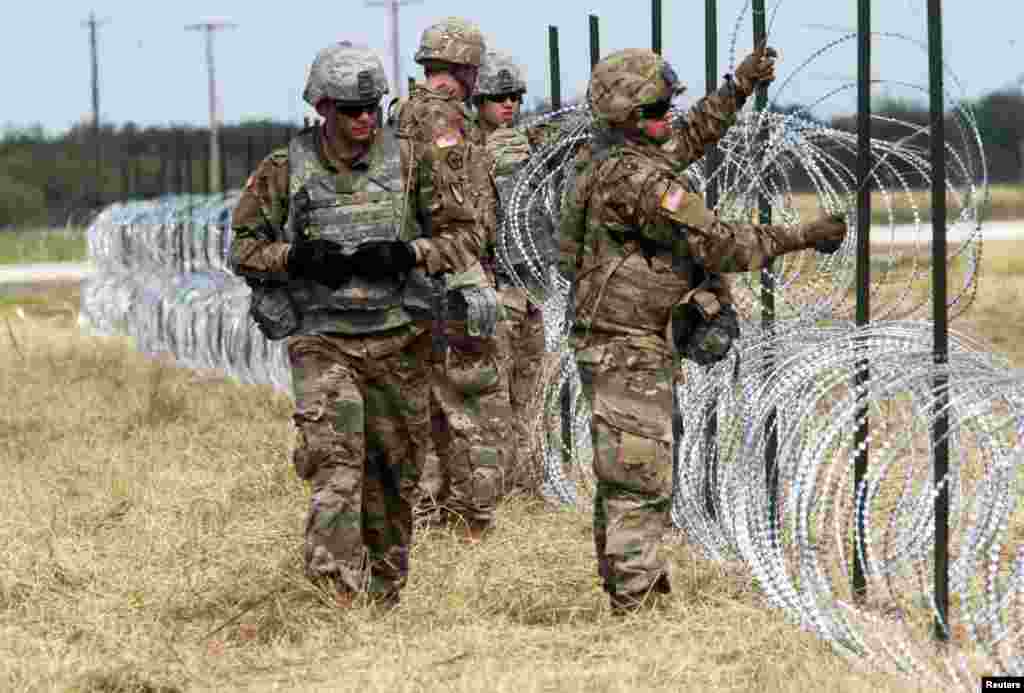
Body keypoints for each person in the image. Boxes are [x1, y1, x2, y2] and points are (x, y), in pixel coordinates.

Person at [560, 46, 848, 614]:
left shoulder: (607, 155)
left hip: (618, 338)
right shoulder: (640, 180)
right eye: (654, 109)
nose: (666, 117)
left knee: (628, 472)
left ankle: (631, 587)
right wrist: (803, 235)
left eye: (667, 106)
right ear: (627, 115)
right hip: (628, 347)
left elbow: (687, 137)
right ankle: (637, 604)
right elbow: (720, 242)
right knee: (639, 478)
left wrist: (737, 88)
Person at [228, 41, 484, 608]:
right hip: (324, 341)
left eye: (372, 106)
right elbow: (243, 249)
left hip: (400, 339)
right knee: (337, 469)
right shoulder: (285, 169)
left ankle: (383, 594)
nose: (366, 118)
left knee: (395, 478)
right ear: (322, 107)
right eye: (351, 109)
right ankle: (334, 602)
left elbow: (466, 236)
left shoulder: (413, 162)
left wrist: (409, 254)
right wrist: (295, 259)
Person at [396, 18, 512, 542]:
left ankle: (421, 511)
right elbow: (448, 201)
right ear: (467, 67)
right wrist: (469, 276)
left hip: (416, 279)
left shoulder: (402, 114)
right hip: (449, 282)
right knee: (476, 404)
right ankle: (469, 520)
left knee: (427, 404)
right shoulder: (442, 120)